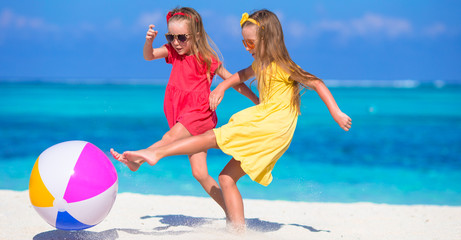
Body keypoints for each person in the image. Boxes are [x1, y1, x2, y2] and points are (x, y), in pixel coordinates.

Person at [112, 9, 352, 232]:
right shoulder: (261, 64)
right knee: (222, 177)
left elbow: (316, 82)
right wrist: (227, 90)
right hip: (265, 125)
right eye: (243, 42)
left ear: (267, 40)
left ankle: (153, 154)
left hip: (255, 123)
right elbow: (239, 77)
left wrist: (336, 113)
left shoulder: (280, 65)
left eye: (250, 43)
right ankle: (237, 230)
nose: (247, 48)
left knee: (197, 138)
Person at [111, 7, 259, 218]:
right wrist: (149, 41)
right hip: (180, 114)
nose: (176, 42)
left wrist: (256, 100)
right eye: (171, 37)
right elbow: (149, 55)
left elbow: (233, 81)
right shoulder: (172, 52)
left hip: (199, 114)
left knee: (169, 138)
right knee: (200, 174)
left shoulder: (206, 58)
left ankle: (139, 160)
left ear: (196, 35)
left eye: (181, 37)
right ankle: (232, 213)